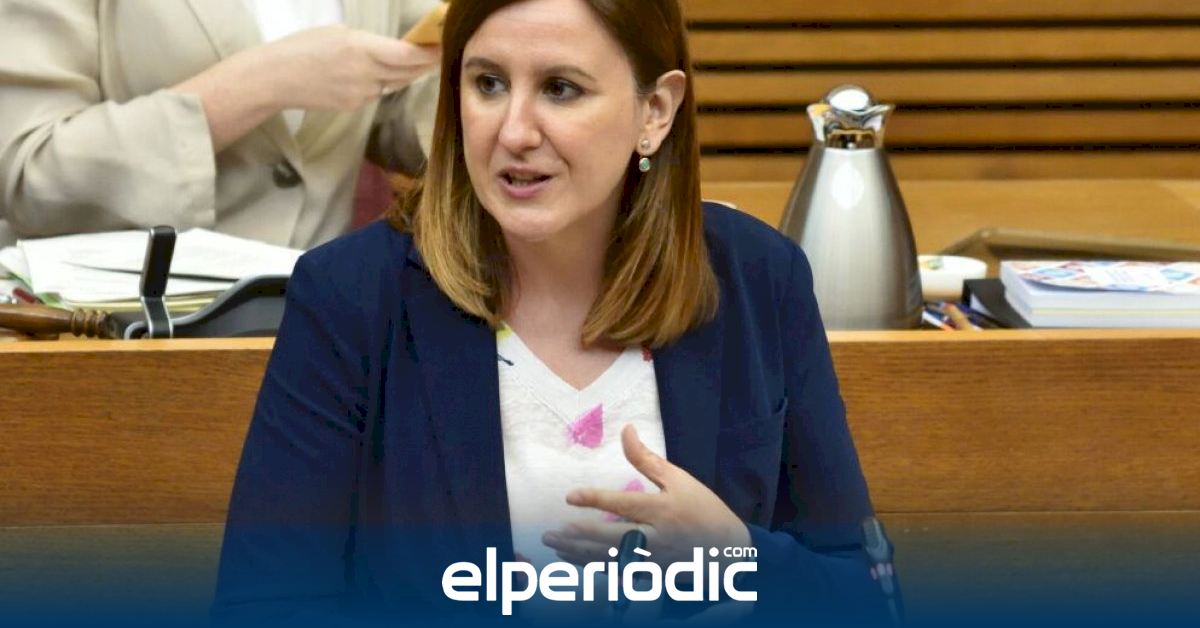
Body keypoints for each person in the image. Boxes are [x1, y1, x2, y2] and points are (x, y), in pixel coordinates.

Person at [213, 0, 896, 624]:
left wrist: (738, 557)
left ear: (655, 111)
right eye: (488, 84)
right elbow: (265, 605)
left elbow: (866, 602)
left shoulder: (759, 279)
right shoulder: (351, 297)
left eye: (560, 89)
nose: (513, 131)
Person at [0, 0, 442, 249]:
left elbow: (404, 106)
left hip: (320, 331)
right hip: (111, 336)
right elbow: (27, 171)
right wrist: (262, 83)